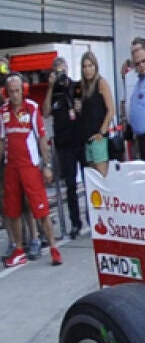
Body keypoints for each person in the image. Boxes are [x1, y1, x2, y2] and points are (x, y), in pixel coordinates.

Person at [2, 73, 61, 268]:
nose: (15, 95)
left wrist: (47, 165)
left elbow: (42, 140)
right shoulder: (3, 111)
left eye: (18, 91)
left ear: (23, 90)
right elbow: (2, 142)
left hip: (30, 167)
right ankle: (19, 250)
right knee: (12, 210)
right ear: (6, 93)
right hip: (11, 167)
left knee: (41, 209)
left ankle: (54, 248)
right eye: (11, 92)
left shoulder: (32, 108)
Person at [47, 57, 84, 237]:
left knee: (89, 180)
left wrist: (78, 105)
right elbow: (46, 112)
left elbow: (82, 107)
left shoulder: (75, 86)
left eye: (63, 71)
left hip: (79, 139)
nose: (61, 75)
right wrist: (50, 87)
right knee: (70, 185)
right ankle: (75, 222)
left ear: (68, 69)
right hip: (64, 144)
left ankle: (95, 217)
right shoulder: (53, 92)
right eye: (58, 72)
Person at [76, 51, 114, 178]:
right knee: (92, 178)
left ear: (95, 67)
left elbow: (111, 109)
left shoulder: (101, 83)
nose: (87, 70)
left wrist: (102, 132)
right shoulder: (83, 86)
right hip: (86, 137)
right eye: (85, 66)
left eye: (90, 66)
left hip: (98, 137)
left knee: (102, 175)